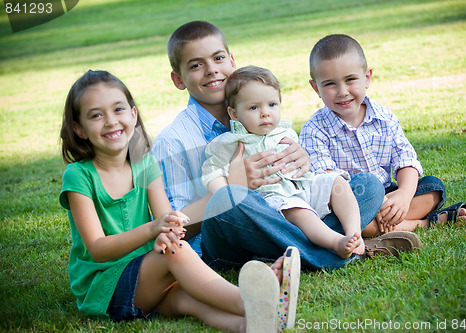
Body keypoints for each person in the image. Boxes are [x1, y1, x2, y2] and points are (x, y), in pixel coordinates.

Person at [151, 20, 420, 275]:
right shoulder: (174, 141)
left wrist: (303, 161)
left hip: (292, 210)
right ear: (178, 79)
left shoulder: (262, 110)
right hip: (231, 238)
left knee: (367, 185)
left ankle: (330, 244)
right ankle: (335, 253)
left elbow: (305, 184)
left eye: (218, 58)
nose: (211, 70)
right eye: (196, 65)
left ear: (232, 61)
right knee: (228, 199)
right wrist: (236, 187)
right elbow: (176, 227)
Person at [58, 70, 298, 332]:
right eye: (96, 115)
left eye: (118, 110)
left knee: (189, 299)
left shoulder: (144, 163)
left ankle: (251, 324)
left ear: (133, 115)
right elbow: (98, 249)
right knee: (176, 253)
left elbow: (168, 223)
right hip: (104, 290)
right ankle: (252, 302)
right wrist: (153, 230)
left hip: (147, 275)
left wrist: (168, 231)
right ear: (78, 128)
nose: (111, 121)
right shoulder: (79, 175)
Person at [300, 34, 466, 237]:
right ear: (316, 88)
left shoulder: (383, 117)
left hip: (389, 195)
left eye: (350, 79)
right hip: (350, 202)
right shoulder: (314, 129)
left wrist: (403, 195)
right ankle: (426, 223)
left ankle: (385, 221)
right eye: (330, 84)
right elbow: (327, 180)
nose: (342, 91)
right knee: (345, 220)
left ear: (367, 78)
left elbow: (405, 159)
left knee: (433, 187)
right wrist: (375, 203)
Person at [201, 66, 365, 259]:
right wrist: (229, 193)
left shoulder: (286, 133)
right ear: (234, 114)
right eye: (254, 107)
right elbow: (212, 173)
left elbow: (303, 168)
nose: (265, 113)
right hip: (270, 202)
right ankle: (334, 243)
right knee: (298, 211)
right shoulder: (229, 142)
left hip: (301, 187)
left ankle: (354, 233)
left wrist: (305, 161)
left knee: (345, 183)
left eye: (272, 104)